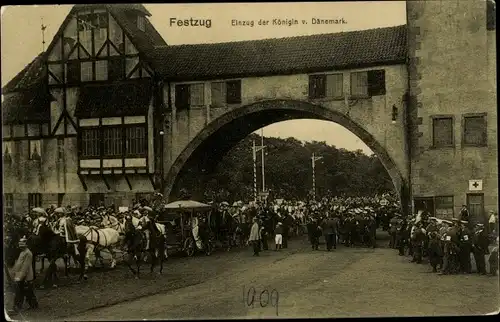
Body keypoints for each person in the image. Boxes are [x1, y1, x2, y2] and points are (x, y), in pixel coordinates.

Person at [10, 236, 38, 314]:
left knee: (20, 292)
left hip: (25, 276)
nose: (20, 246)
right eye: (20, 244)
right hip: (21, 275)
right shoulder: (22, 252)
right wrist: (15, 272)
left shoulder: (28, 253)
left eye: (22, 244)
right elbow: (19, 264)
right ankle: (34, 305)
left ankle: (17, 308)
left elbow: (25, 267)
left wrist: (20, 277)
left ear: (26, 245)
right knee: (28, 292)